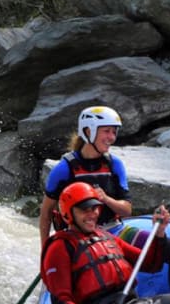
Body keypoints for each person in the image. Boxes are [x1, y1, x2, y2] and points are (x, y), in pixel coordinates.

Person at [40, 182, 170, 304]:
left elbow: (151, 263)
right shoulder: (59, 247)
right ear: (68, 214)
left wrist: (159, 233)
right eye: (84, 210)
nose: (92, 214)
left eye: (94, 208)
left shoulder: (105, 236)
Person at [39, 106, 131, 247]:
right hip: (77, 238)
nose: (112, 137)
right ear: (89, 131)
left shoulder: (115, 165)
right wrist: (45, 251)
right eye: (106, 131)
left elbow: (127, 210)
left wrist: (106, 199)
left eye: (114, 132)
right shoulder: (64, 169)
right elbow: (46, 215)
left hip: (112, 231)